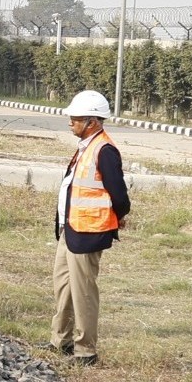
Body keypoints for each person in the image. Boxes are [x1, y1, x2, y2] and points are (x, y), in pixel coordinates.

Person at [53, 89, 130, 365]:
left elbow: (119, 195)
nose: (70, 123)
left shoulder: (105, 150)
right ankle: (59, 340)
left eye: (75, 119)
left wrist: (117, 218)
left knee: (83, 291)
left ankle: (85, 351)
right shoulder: (85, 146)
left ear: (93, 122)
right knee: (63, 286)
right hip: (71, 228)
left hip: (88, 232)